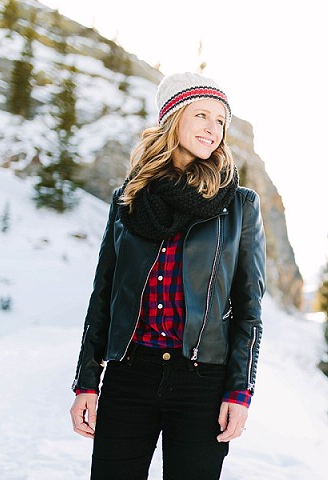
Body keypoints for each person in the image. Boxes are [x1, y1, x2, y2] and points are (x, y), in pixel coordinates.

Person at [69, 72, 266, 480]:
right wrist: (87, 381)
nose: (213, 129)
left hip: (202, 382)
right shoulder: (129, 199)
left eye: (221, 121)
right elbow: (103, 295)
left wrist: (239, 391)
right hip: (129, 374)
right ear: (173, 119)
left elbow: (248, 308)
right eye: (202, 115)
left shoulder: (240, 206)